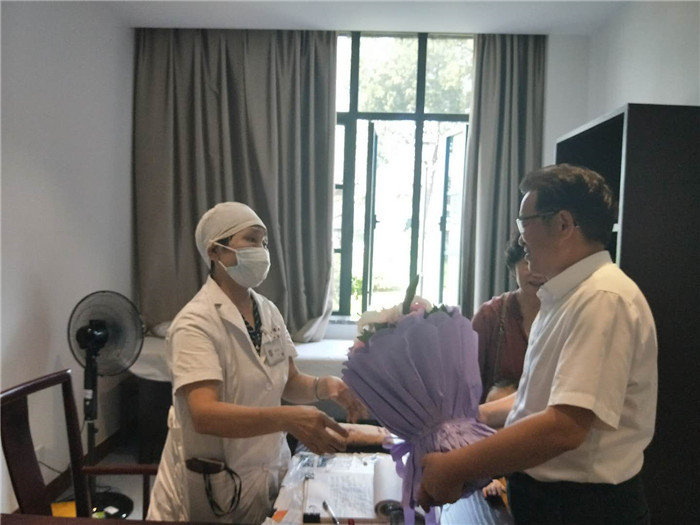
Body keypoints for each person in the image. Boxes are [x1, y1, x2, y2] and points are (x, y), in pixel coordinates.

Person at [418, 164, 657, 525]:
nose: (521, 239)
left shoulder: (603, 298)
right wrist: (474, 418)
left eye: (524, 222)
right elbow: (541, 397)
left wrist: (457, 465)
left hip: (583, 508)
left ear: (562, 224)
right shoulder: (564, 295)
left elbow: (565, 426)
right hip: (552, 502)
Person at [147, 202, 366, 524]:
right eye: (250, 239)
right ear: (215, 251)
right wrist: (288, 419)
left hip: (269, 468)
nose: (261, 251)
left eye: (263, 242)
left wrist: (327, 386)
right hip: (215, 482)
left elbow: (288, 381)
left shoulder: (267, 311)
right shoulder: (195, 323)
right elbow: (204, 415)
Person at [472, 234, 546, 403]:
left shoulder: (565, 314)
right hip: (489, 416)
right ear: (513, 268)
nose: (536, 272)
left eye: (543, 262)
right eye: (527, 262)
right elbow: (466, 380)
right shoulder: (490, 315)